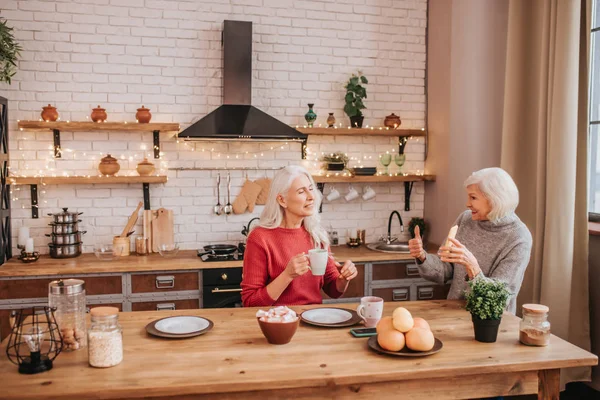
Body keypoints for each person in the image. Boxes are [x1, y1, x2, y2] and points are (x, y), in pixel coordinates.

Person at [408, 167, 532, 314]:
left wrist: (473, 268)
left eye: (473, 197)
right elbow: (444, 271)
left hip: (491, 324)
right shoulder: (465, 219)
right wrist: (422, 257)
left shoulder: (518, 237)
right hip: (454, 315)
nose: (467, 203)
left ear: (494, 199)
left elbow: (499, 298)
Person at [241, 165, 358, 307]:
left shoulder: (316, 234)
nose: (311, 197)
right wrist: (287, 275)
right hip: (278, 322)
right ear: (282, 200)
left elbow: (333, 290)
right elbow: (250, 302)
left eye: (310, 189)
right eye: (301, 191)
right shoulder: (260, 238)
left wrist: (343, 278)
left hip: (313, 319)